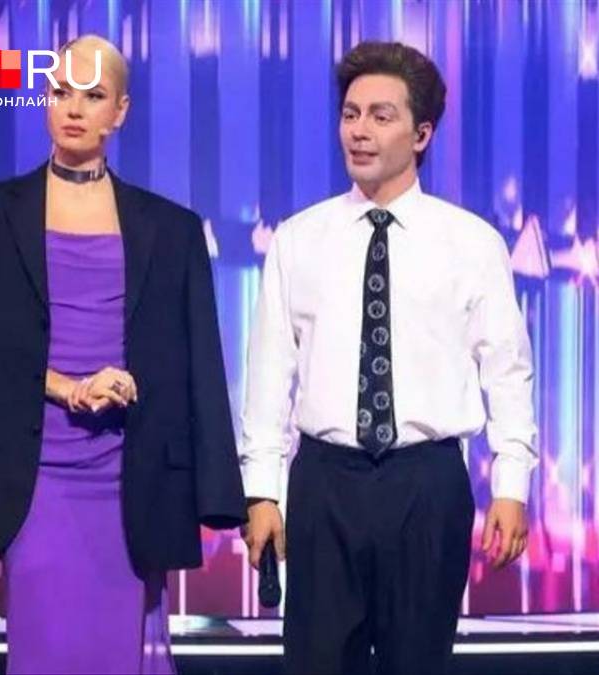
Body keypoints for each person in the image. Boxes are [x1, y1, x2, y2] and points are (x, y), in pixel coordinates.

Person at [0, 34, 246, 674]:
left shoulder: (172, 228)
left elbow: (199, 367)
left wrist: (218, 491)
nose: (74, 108)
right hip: (32, 470)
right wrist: (61, 388)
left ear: (121, 111)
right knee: (46, 643)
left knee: (117, 648)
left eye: (93, 95)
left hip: (129, 473)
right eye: (60, 91)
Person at [239, 41, 538, 675]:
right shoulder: (298, 240)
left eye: (381, 116)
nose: (360, 131)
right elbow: (268, 375)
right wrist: (261, 491)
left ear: (421, 133)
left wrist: (511, 486)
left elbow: (508, 372)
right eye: (351, 114)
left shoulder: (472, 242)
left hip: (427, 484)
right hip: (325, 482)